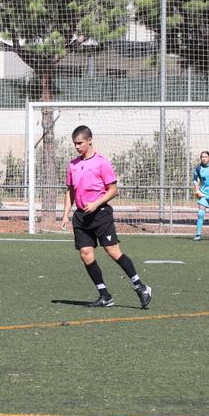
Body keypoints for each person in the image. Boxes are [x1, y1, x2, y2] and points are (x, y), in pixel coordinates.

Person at [60, 125, 152, 309]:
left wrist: (95, 203)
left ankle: (140, 286)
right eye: (75, 144)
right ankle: (105, 295)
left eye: (80, 143)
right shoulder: (73, 165)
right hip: (81, 217)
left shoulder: (102, 163)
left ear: (89, 140)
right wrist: (65, 215)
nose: (77, 147)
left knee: (112, 251)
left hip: (100, 214)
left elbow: (113, 190)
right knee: (86, 254)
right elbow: (70, 191)